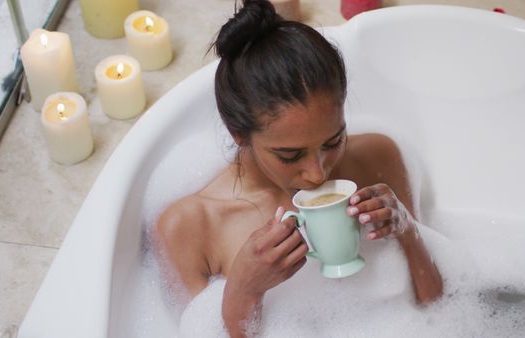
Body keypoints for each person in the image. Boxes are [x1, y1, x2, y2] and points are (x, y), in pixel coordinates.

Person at [155, 1, 443, 336]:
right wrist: (243, 291)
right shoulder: (190, 226)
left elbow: (437, 307)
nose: (318, 173)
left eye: (333, 141)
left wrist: (406, 229)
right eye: (290, 156)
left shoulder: (378, 157)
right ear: (238, 134)